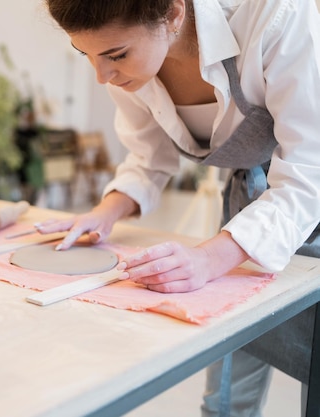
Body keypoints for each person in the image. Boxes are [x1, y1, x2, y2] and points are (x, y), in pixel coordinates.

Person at [39, 0, 320, 415]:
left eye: (116, 55)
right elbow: (148, 157)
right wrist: (106, 212)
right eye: (88, 56)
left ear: (172, 13)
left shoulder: (278, 15)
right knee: (225, 396)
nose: (103, 76)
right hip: (250, 207)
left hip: (307, 189)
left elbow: (307, 174)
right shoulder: (130, 70)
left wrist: (207, 258)